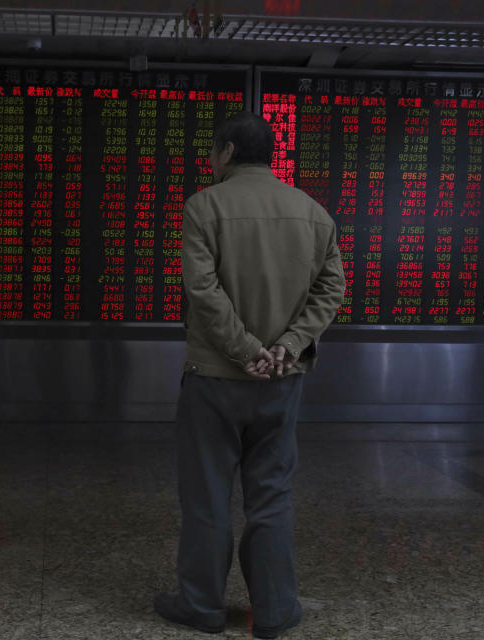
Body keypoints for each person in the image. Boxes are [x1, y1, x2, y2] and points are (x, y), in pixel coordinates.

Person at [153, 111, 346, 638]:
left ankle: (202, 607)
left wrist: (245, 351)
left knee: (207, 496)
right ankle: (276, 610)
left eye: (215, 154)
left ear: (229, 153)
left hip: (215, 379)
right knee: (272, 496)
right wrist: (283, 348)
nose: (212, 163)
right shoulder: (312, 213)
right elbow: (331, 292)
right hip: (281, 381)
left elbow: (204, 292)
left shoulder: (204, 207)